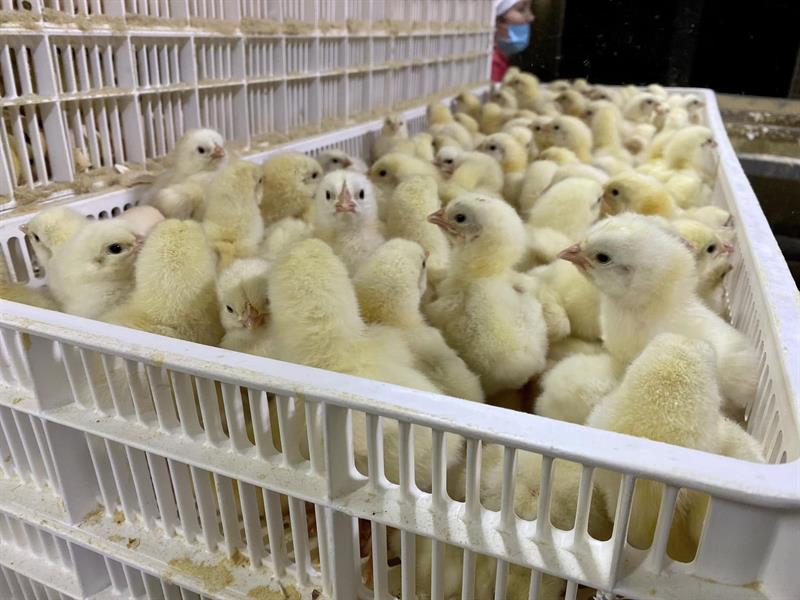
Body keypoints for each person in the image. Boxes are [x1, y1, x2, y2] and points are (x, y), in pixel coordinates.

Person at [493, 0, 535, 82]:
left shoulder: (500, 62)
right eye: (521, 9)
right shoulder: (491, 66)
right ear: (497, 19)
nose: (531, 17)